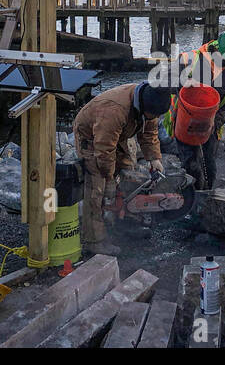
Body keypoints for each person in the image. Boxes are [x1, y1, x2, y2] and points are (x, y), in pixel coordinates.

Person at [71, 81, 171, 256]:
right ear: (144, 106)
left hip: (118, 134)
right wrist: (109, 178)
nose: (153, 117)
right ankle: (94, 241)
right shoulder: (114, 110)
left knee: (129, 176)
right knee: (97, 189)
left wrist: (154, 158)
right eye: (152, 114)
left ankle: (125, 225)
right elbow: (104, 150)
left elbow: (149, 133)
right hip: (92, 139)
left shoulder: (151, 99)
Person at [159, 30, 225, 191]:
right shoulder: (189, 59)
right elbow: (165, 82)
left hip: (210, 125)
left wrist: (216, 120)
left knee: (210, 167)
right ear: (217, 48)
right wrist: (182, 84)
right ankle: (190, 202)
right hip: (184, 121)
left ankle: (206, 198)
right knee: (191, 165)